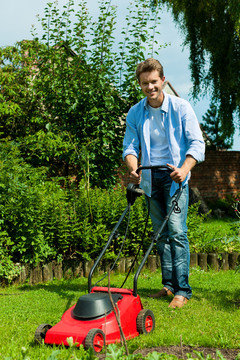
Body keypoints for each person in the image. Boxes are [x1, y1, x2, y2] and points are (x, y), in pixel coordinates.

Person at [122, 58, 205, 308]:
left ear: (163, 81)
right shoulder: (136, 112)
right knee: (161, 235)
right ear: (140, 84)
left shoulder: (181, 108)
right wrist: (133, 168)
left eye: (154, 82)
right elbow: (129, 146)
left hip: (174, 177)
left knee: (178, 233)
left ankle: (183, 291)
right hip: (148, 177)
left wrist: (184, 169)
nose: (150, 87)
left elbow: (197, 144)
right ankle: (168, 286)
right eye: (145, 83)